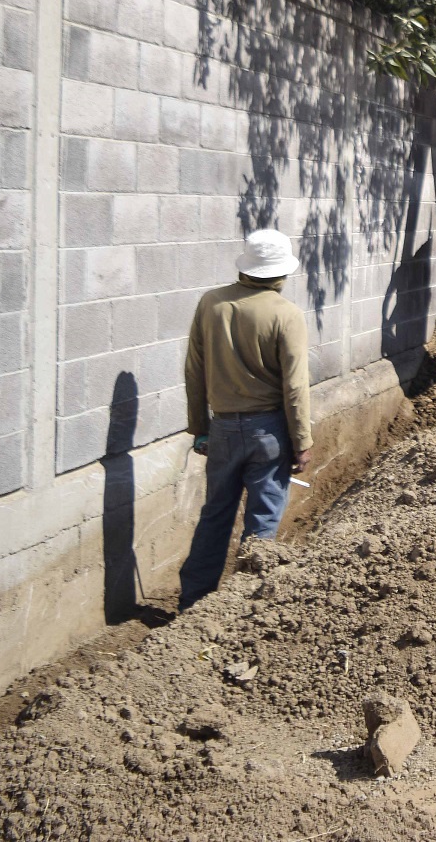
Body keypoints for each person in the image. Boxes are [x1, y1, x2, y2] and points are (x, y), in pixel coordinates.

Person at [177, 229, 312, 610]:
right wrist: (302, 441)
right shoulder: (286, 314)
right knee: (262, 520)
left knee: (215, 515)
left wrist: (199, 429)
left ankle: (193, 602)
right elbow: (295, 386)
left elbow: (194, 371)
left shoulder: (211, 304)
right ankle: (245, 607)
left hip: (221, 427)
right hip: (268, 431)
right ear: (281, 272)